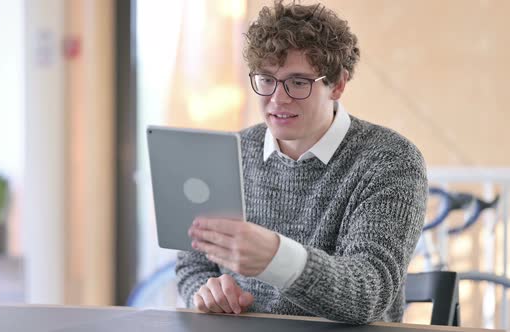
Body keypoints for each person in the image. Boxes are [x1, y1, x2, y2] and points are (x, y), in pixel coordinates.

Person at [176, 0, 427, 324]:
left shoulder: (391, 161)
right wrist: (207, 291)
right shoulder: (230, 152)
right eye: (266, 79)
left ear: (337, 84)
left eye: (298, 82)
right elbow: (193, 265)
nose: (278, 99)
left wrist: (275, 257)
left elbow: (368, 293)